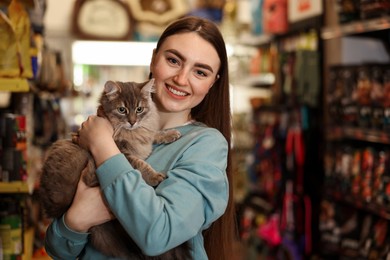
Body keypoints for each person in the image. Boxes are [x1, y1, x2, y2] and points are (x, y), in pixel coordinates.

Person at [44, 16, 236, 260]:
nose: (181, 78)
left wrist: (103, 145)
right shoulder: (108, 122)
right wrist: (76, 219)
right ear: (154, 58)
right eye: (173, 60)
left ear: (213, 82)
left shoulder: (207, 145)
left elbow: (159, 234)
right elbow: (57, 249)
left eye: (200, 71)